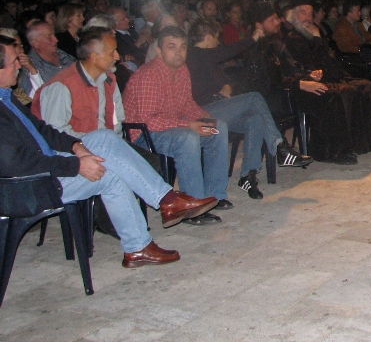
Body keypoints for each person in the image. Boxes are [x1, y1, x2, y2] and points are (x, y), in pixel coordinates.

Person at [0, 34, 218, 267]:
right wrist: (75, 164)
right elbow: (13, 162)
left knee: (111, 163)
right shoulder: (54, 87)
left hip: (48, 168)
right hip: (26, 187)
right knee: (109, 151)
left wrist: (76, 147)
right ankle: (167, 201)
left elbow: (45, 131)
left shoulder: (6, 98)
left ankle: (138, 248)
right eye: (13, 61)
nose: (19, 65)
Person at [186, 18, 311, 199]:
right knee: (254, 98)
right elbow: (228, 51)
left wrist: (226, 87)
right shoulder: (194, 54)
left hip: (219, 110)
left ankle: (248, 175)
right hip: (201, 112)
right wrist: (252, 39)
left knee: (255, 119)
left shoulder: (209, 62)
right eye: (216, 38)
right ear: (207, 37)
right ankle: (279, 146)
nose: (218, 42)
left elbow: (228, 83)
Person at [122, 26, 231, 224]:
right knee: (187, 137)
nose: (179, 52)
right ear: (159, 50)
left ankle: (215, 195)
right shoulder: (148, 74)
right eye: (171, 47)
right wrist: (188, 125)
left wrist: (206, 118)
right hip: (143, 136)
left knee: (218, 128)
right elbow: (148, 121)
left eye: (183, 47)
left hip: (171, 127)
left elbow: (186, 104)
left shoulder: (181, 70)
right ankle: (193, 207)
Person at [283, 0, 371, 158]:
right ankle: (338, 150)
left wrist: (318, 38)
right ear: (294, 15)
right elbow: (306, 65)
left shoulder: (312, 34)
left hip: (329, 76)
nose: (307, 17)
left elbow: (328, 60)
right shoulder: (292, 39)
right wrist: (317, 40)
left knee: (366, 86)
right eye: (303, 12)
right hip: (306, 85)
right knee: (345, 91)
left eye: (310, 13)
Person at [18, 21, 76, 97]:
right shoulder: (30, 67)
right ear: (35, 43)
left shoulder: (63, 55)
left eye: (54, 35)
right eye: (49, 37)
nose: (56, 40)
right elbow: (35, 98)